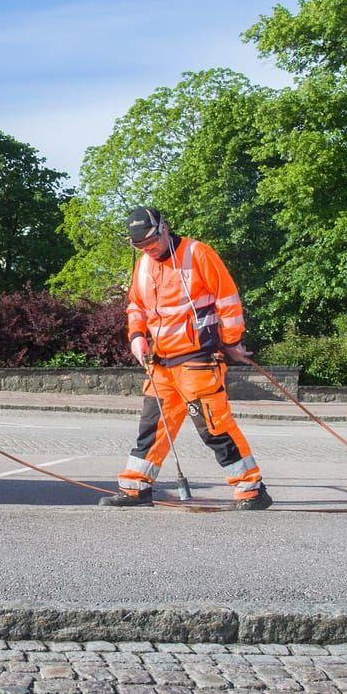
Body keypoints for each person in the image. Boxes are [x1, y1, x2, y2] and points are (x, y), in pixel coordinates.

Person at [98, 206, 273, 510]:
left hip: (197, 359)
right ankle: (136, 488)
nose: (149, 250)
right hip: (161, 363)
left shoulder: (198, 254)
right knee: (151, 428)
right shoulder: (143, 266)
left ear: (164, 229)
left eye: (151, 242)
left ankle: (251, 490)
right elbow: (135, 307)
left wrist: (232, 342)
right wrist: (137, 337)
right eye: (140, 246)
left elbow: (228, 300)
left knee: (214, 428)